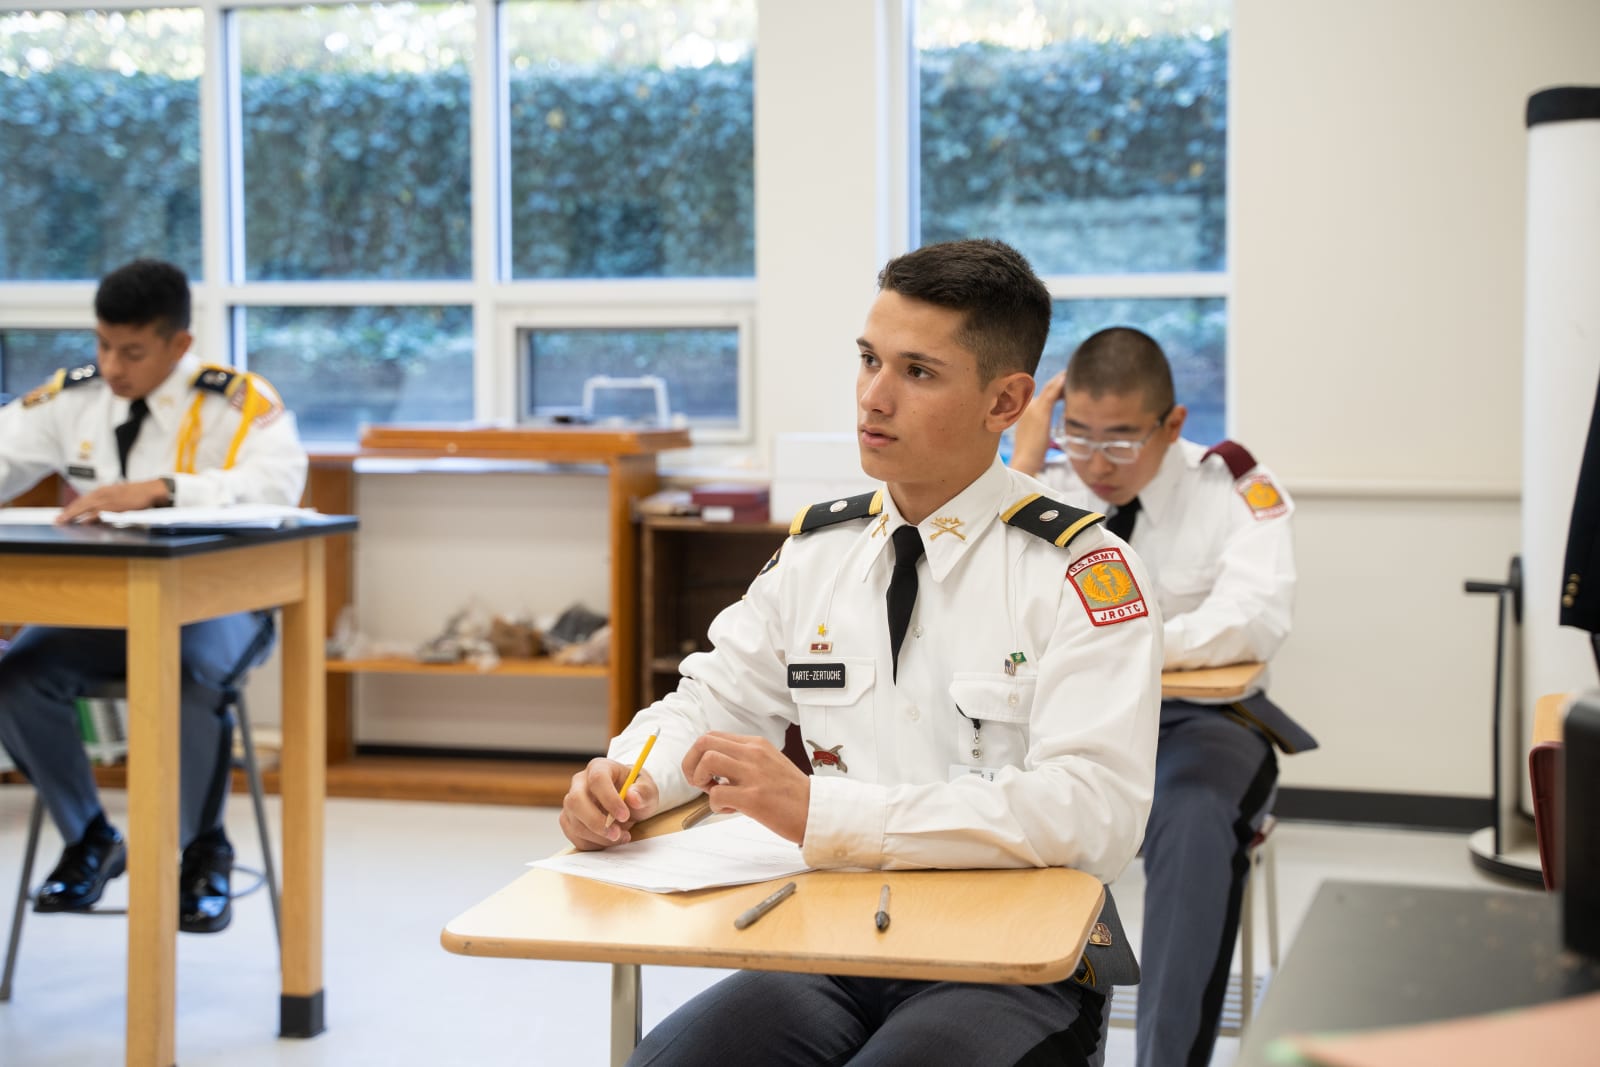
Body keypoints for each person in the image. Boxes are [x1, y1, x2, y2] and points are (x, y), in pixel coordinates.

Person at [561, 239, 1162, 1066]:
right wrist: (625, 777)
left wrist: (824, 813)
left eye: (918, 372)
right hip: (834, 943)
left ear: (1006, 402)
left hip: (1018, 960)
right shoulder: (821, 548)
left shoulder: (1080, 570)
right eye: (869, 360)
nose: (873, 398)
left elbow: (1093, 813)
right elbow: (710, 701)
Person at [1010, 325, 1318, 1067]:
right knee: (1002, 802)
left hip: (1196, 723)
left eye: (1119, 442)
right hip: (1061, 721)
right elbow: (989, 604)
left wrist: (1119, 643)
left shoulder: (1233, 486)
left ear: (1172, 424)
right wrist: (1023, 460)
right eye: (1076, 435)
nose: (1095, 462)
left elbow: (1252, 617)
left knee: (1196, 818)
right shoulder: (1042, 488)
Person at [0, 258, 307, 933]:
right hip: (110, 609)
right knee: (15, 675)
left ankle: (203, 852)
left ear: (179, 345)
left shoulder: (235, 402)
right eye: (102, 344)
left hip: (220, 608)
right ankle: (89, 837)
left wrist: (169, 488)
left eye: (132, 351)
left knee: (187, 674)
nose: (112, 366)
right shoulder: (73, 399)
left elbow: (282, 482)